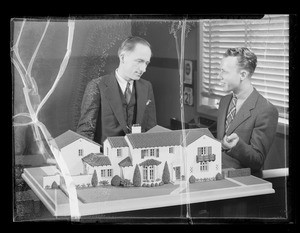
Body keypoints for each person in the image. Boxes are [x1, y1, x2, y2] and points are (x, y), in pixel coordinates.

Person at [76, 36, 157, 146]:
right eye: (139, 61)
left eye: (146, 63)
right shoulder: (96, 86)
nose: (143, 69)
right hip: (105, 158)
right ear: (123, 57)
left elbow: (151, 130)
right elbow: (85, 133)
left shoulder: (146, 86)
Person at [217, 47, 278, 175]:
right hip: (218, 177)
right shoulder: (224, 101)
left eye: (224, 72)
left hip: (243, 184)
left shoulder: (266, 110)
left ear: (243, 75)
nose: (219, 76)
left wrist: (236, 145)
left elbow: (258, 160)